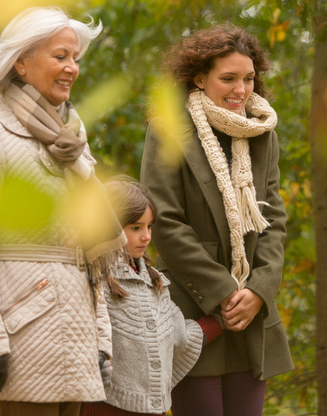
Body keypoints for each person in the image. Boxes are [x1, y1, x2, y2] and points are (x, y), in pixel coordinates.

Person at [0, 6, 126, 416]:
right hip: (19, 333)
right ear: (20, 63)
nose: (72, 68)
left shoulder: (73, 141)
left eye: (75, 58)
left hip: (76, 332)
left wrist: (101, 341)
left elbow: (89, 255)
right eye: (60, 56)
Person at [140, 24, 293, 416]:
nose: (240, 90)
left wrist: (259, 291)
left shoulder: (263, 133)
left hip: (251, 315)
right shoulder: (168, 131)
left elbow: (273, 218)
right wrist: (224, 292)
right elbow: (166, 222)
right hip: (195, 312)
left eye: (248, 78)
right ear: (199, 78)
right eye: (228, 79)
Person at [80, 178, 223, 416]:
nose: (146, 236)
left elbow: (178, 337)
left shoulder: (154, 281)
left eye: (149, 227)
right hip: (102, 406)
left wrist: (220, 321)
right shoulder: (93, 279)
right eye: (136, 228)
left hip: (151, 409)